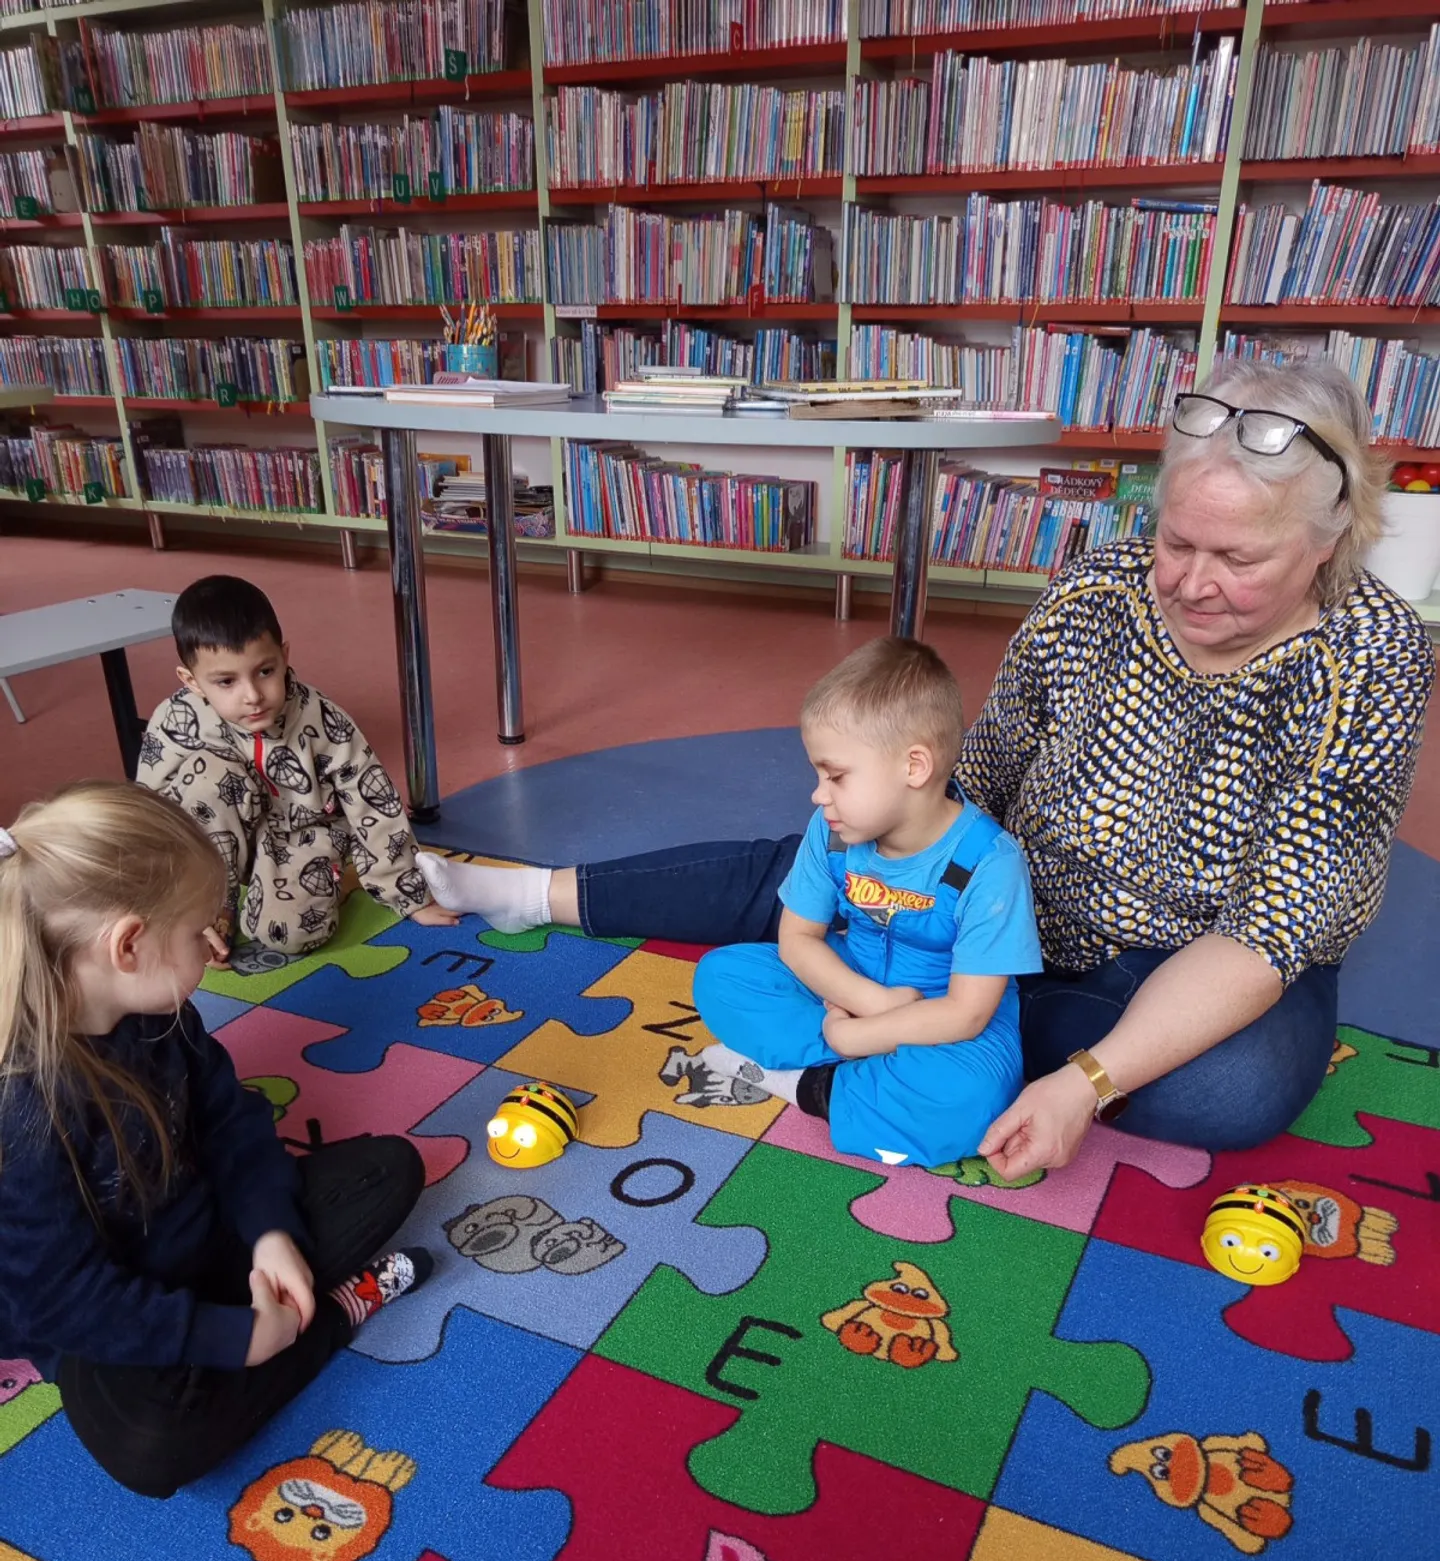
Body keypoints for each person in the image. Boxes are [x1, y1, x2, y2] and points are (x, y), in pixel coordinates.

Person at [422, 358, 1435, 1176]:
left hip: (1180, 958)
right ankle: (532, 893)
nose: (1192, 583)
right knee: (821, 853)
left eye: (1239, 560)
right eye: (1177, 542)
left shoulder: (1374, 658)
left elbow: (1268, 934)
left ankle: (899, 1042)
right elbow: (979, 774)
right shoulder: (1098, 590)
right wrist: (901, 870)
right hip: (995, 892)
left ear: (1329, 539)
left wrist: (1083, 1083)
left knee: (1236, 1089)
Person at [0, 782, 433, 1499]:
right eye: (199, 933)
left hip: (207, 1242)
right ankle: (327, 1320)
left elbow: (234, 1123)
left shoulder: (161, 1014)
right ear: (129, 945)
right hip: (106, 1316)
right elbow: (63, 1301)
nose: (214, 949)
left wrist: (270, 1234)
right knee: (152, 1451)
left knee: (390, 1169)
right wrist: (230, 1338)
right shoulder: (21, 1105)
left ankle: (273, 1317)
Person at [683, 637, 1040, 1168]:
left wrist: (856, 1036)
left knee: (969, 1100)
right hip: (854, 986)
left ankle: (802, 1084)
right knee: (722, 978)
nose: (818, 794)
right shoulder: (830, 831)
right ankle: (858, 1082)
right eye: (818, 775)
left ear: (913, 767)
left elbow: (967, 1014)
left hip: (947, 1018)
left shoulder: (990, 863)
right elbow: (797, 939)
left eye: (836, 776)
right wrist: (872, 1005)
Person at [136, 574, 458, 969]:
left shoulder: (323, 720)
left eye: (265, 671)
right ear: (192, 681)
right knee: (208, 779)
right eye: (226, 681)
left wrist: (410, 896)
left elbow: (373, 803)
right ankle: (213, 909)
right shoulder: (176, 719)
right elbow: (152, 812)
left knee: (289, 935)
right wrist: (174, 909)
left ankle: (316, 884)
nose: (252, 695)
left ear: (284, 655)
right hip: (216, 847)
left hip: (302, 837)